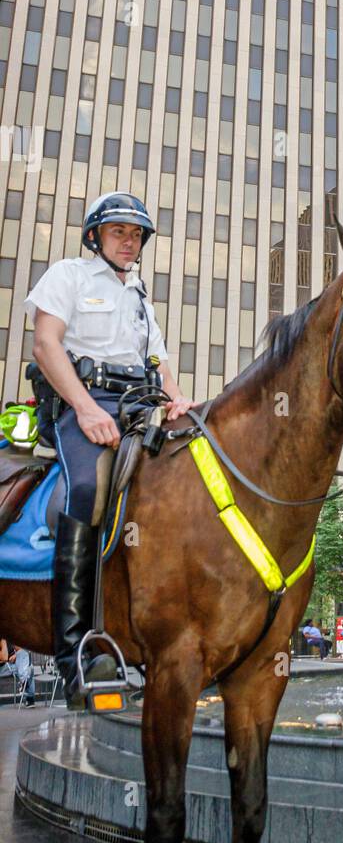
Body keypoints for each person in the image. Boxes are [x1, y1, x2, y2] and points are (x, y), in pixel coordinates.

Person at [22, 193, 193, 709]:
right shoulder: (69, 276)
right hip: (84, 403)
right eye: (119, 231)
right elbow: (46, 345)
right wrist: (85, 409)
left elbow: (158, 360)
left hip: (139, 405)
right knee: (92, 488)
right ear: (95, 236)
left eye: (137, 234)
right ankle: (73, 652)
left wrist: (177, 395)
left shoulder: (140, 295)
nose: (129, 241)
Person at [0, 639, 36, 705]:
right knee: (28, 668)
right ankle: (29, 695)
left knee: (29, 667)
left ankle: (24, 681)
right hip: (2, 668)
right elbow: (4, 658)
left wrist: (16, 655)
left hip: (11, 665)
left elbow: (19, 649)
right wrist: (3, 641)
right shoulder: (3, 640)